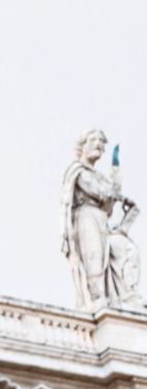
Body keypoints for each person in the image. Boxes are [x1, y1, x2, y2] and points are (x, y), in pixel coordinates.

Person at [60, 128, 143, 310]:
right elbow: (97, 191)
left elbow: (110, 198)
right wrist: (116, 195)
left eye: (101, 142)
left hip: (101, 220)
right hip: (85, 216)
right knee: (94, 257)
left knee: (128, 250)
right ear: (82, 145)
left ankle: (127, 296)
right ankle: (97, 301)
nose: (98, 144)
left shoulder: (99, 176)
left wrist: (115, 171)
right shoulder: (77, 170)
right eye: (93, 140)